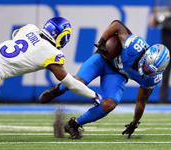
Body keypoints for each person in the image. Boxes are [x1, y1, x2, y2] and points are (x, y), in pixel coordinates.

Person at [39, 20, 170, 139]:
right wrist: (102, 42)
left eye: (152, 71)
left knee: (110, 104)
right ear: (147, 55)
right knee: (79, 83)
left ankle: (73, 125)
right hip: (103, 60)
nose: (147, 70)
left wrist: (135, 123)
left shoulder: (152, 79)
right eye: (147, 65)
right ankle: (59, 88)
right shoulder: (134, 46)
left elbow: (141, 102)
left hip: (117, 75)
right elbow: (117, 25)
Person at [0, 17, 102, 123]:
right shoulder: (51, 54)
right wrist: (94, 95)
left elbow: (15, 34)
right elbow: (71, 84)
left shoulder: (30, 28)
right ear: (62, 36)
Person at [149, 1, 171, 103]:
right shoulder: (164, 19)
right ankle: (163, 98)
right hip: (167, 53)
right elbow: (152, 24)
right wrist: (154, 12)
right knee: (165, 75)